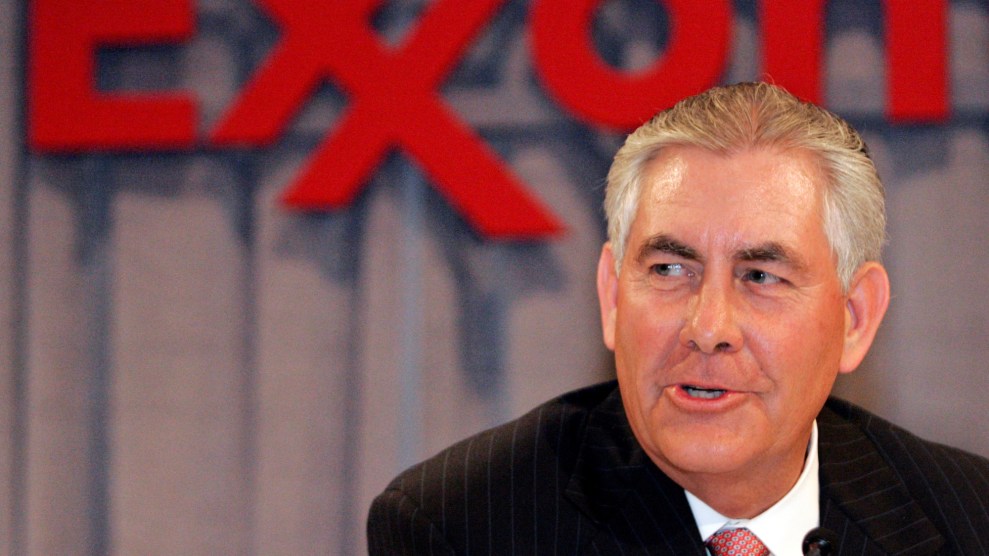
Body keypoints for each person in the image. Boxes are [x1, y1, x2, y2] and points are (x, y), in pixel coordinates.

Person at [366, 82, 989, 555]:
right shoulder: (461, 528)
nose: (708, 327)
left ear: (854, 318)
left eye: (760, 276)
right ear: (613, 296)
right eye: (669, 269)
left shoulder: (969, 519)